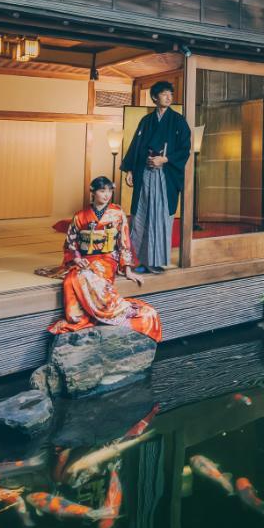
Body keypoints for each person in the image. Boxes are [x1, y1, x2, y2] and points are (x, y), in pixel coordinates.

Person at [47, 176, 162, 342]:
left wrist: (127, 269)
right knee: (70, 279)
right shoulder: (80, 215)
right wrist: (77, 259)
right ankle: (77, 317)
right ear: (92, 192)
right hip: (86, 258)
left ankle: (111, 312)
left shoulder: (117, 213)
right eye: (102, 190)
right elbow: (70, 243)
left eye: (109, 191)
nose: (107, 195)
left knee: (86, 276)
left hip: (108, 258)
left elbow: (124, 242)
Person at [121, 80, 191, 273]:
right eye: (164, 94)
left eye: (170, 93)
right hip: (145, 173)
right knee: (141, 215)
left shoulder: (178, 121)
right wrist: (130, 170)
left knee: (160, 217)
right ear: (154, 98)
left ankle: (157, 261)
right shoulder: (146, 121)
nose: (168, 97)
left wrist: (165, 159)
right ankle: (138, 260)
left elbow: (185, 149)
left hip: (164, 174)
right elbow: (136, 146)